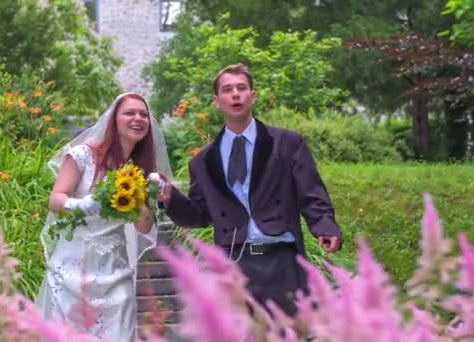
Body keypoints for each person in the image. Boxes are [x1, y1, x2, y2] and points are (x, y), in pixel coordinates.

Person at [157, 63, 342, 316]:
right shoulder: (202, 161)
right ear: (216, 101)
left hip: (282, 260)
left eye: (241, 88)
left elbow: (311, 193)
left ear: (252, 96)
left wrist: (325, 225)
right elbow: (199, 215)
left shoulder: (287, 143)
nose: (235, 94)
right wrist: (171, 198)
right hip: (233, 264)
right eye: (227, 89)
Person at [36, 92, 172, 340]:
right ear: (114, 119)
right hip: (72, 270)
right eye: (130, 113)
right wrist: (85, 205)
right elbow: (55, 200)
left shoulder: (141, 171)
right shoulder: (84, 156)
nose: (138, 118)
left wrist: (148, 196)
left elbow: (143, 227)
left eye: (144, 114)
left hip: (115, 271)